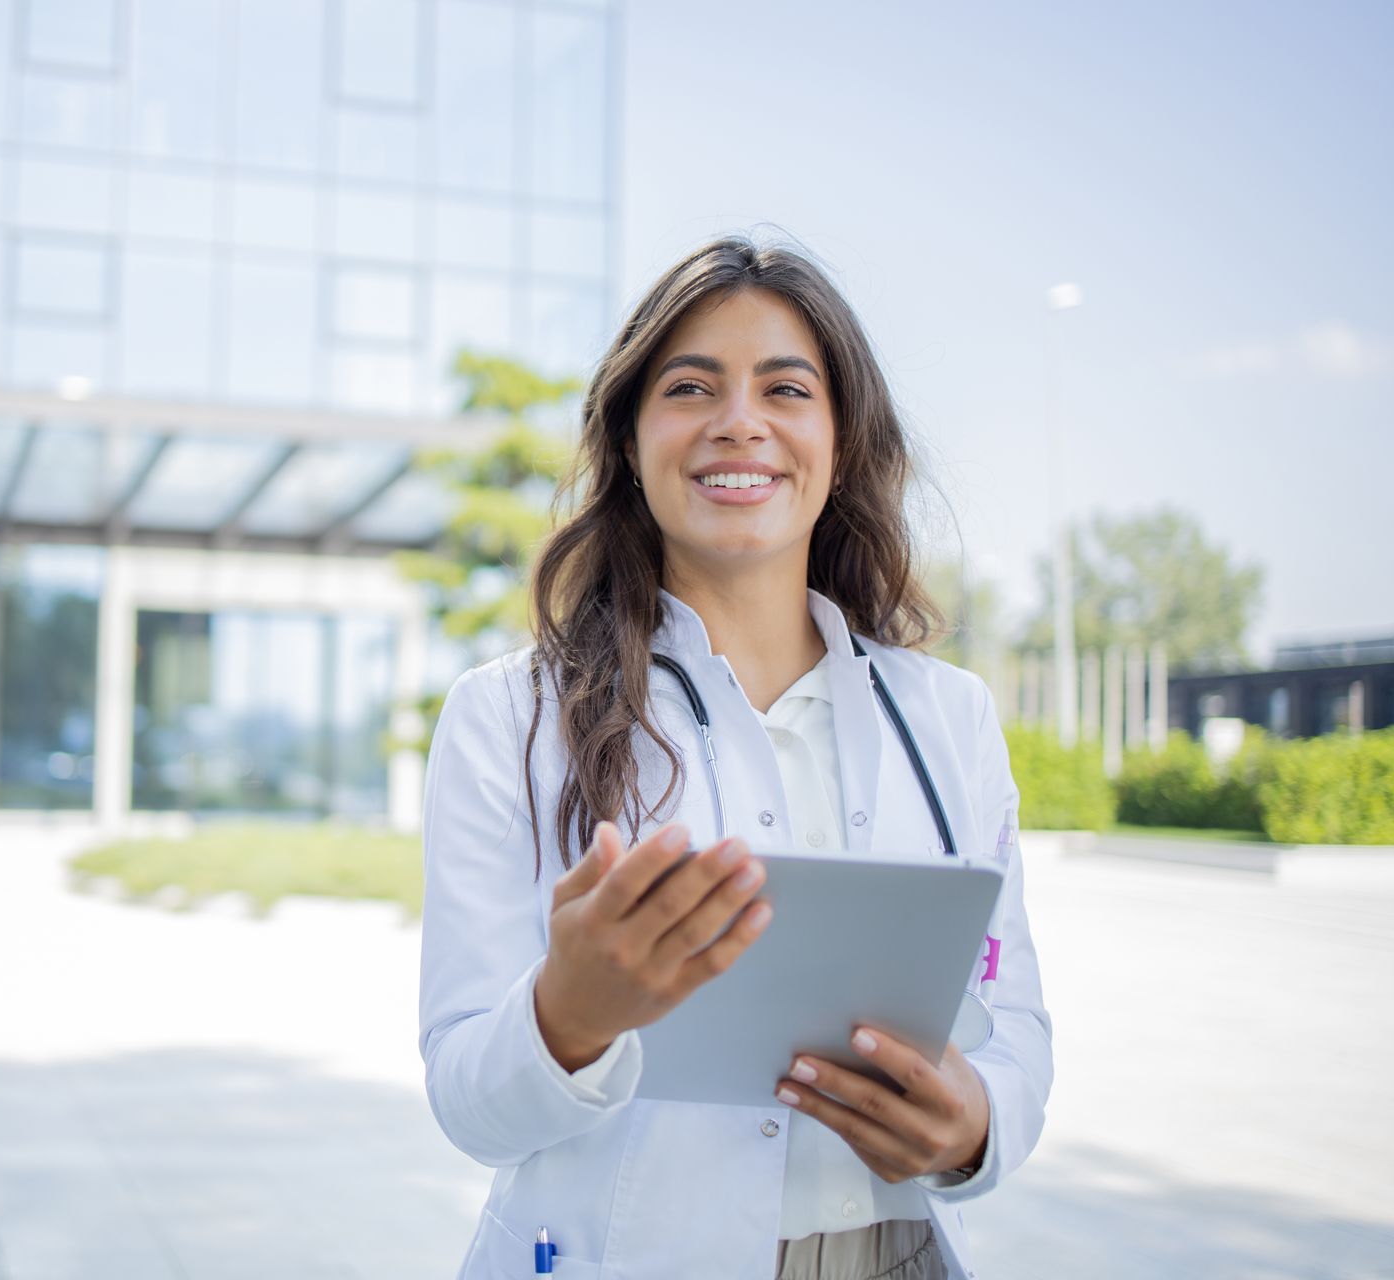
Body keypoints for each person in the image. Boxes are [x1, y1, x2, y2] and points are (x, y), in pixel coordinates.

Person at [417, 235, 1051, 1280]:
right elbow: (466, 1099)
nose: (739, 421)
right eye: (690, 386)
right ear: (629, 439)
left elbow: (1012, 1020)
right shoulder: (507, 718)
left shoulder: (951, 719)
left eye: (786, 388)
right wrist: (566, 1012)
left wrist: (974, 1123)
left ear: (840, 441)